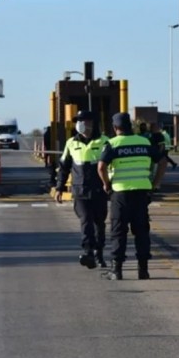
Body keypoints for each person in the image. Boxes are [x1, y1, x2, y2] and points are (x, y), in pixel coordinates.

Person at [97, 113, 161, 280]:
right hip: (141, 193)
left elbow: (101, 167)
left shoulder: (112, 144)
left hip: (120, 194)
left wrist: (106, 184)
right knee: (141, 231)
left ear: (115, 127)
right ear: (131, 126)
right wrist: (154, 184)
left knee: (119, 232)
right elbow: (162, 161)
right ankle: (143, 270)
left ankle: (116, 270)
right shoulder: (144, 142)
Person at [55, 110, 110, 269]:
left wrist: (110, 185)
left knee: (99, 223)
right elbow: (64, 167)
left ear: (93, 123)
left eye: (84, 121)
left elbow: (111, 166)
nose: (81, 124)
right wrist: (59, 188)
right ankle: (88, 253)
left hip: (99, 190)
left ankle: (99, 253)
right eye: (79, 121)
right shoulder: (71, 143)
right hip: (80, 191)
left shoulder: (105, 142)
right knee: (86, 220)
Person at [149, 122, 168, 190]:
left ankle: (156, 185)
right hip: (152, 155)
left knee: (155, 170)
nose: (150, 128)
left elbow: (161, 146)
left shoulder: (159, 135)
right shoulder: (150, 135)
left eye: (152, 127)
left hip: (156, 155)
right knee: (152, 170)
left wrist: (159, 154)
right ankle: (154, 184)